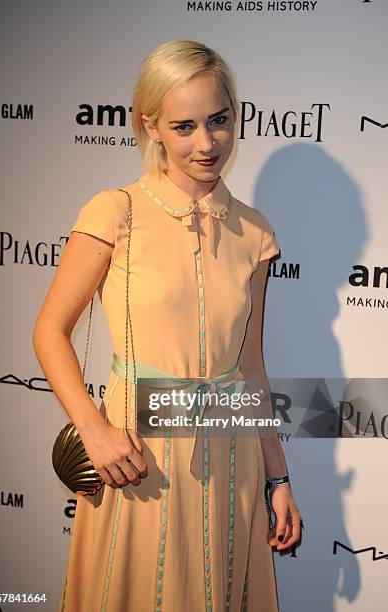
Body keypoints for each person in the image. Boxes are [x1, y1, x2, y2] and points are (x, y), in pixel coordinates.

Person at [33, 39, 302, 612]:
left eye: (219, 121)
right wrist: (95, 431)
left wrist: (278, 480)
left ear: (236, 116)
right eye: (184, 127)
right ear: (149, 126)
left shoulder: (255, 233)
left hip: (231, 458)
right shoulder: (115, 211)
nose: (206, 144)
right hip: (138, 453)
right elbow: (49, 331)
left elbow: (249, 367)